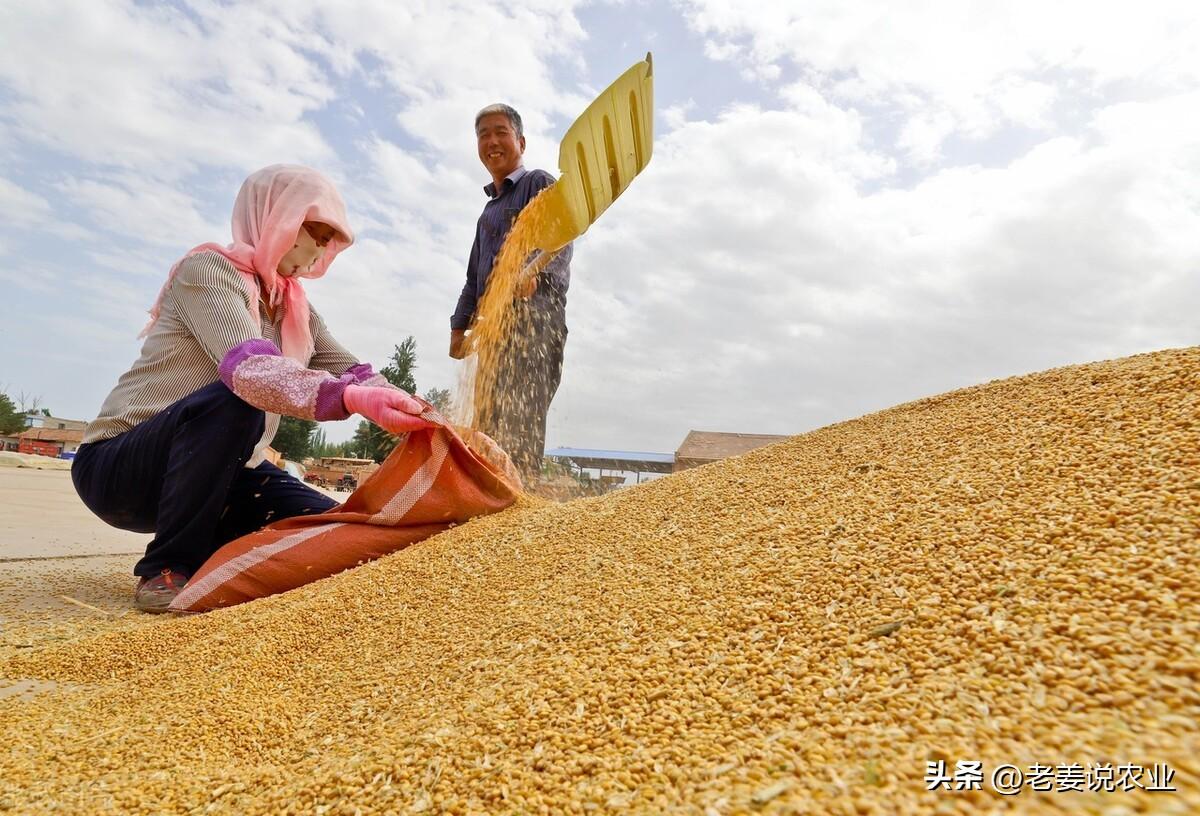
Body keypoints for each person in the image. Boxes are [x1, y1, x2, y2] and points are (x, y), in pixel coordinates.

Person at [73, 165, 431, 612]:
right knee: (238, 400)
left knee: (339, 526)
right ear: (274, 217)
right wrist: (348, 399)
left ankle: (214, 550)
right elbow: (252, 371)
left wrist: (415, 410)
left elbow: (352, 369)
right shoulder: (207, 271)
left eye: (327, 240)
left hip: (218, 476)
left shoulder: (294, 306)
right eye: (313, 231)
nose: (319, 248)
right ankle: (166, 566)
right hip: (121, 467)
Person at [450, 103, 572, 482]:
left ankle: (519, 507)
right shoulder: (488, 212)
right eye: (483, 134)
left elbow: (561, 234)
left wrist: (532, 269)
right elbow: (474, 278)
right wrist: (458, 327)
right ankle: (484, 504)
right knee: (487, 424)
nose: (491, 141)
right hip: (494, 326)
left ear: (520, 141)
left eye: (500, 132)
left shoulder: (539, 183)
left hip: (535, 315)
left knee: (521, 418)